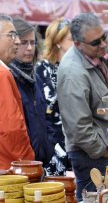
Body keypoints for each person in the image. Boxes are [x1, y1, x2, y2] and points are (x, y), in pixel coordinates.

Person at [57, 13, 108, 201]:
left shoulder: (94, 56)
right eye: (96, 42)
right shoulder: (73, 72)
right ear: (78, 44)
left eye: (104, 37)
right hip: (91, 156)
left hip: (102, 150)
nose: (103, 44)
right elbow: (78, 127)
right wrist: (103, 150)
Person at [9, 17, 55, 169]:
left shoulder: (36, 78)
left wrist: (49, 143)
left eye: (32, 42)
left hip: (41, 161)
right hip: (19, 164)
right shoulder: (8, 77)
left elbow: (45, 115)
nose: (29, 48)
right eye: (24, 43)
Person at [35, 18, 73, 175]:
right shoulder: (42, 69)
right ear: (58, 42)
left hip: (76, 140)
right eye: (71, 39)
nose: (76, 43)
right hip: (53, 143)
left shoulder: (75, 67)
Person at [0, 14, 35, 169]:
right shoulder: (2, 74)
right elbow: (11, 130)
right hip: (9, 169)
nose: (18, 41)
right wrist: (28, 163)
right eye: (12, 35)